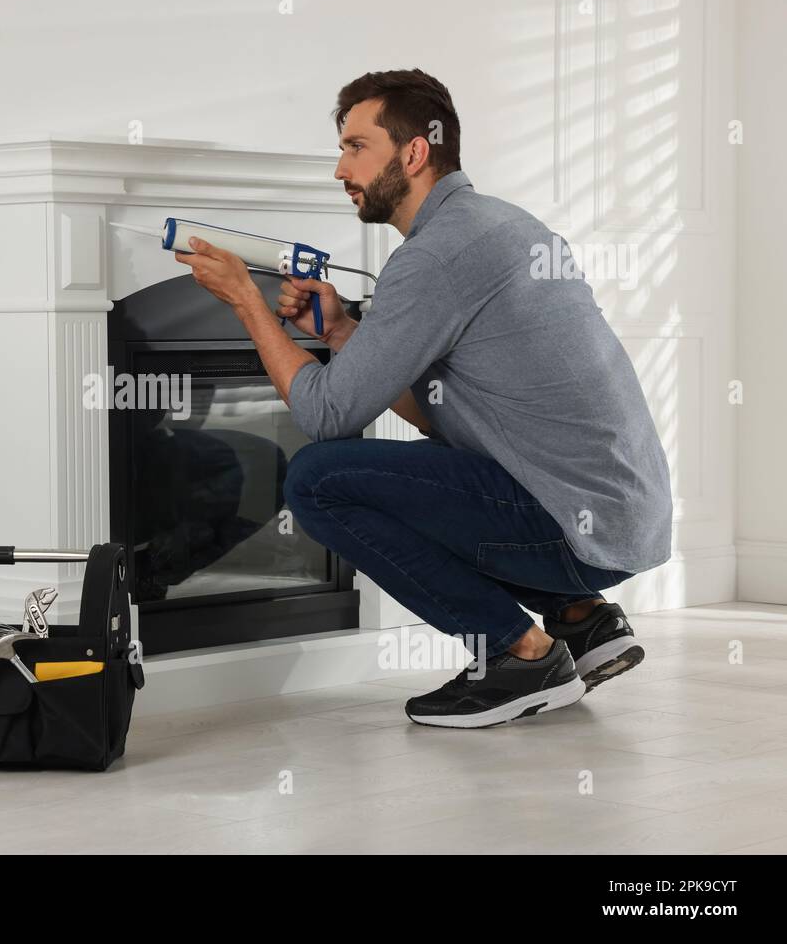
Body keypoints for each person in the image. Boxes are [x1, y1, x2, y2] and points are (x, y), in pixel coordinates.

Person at [172, 68, 672, 728]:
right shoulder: (498, 225)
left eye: (355, 147)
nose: (339, 170)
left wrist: (245, 300)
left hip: (576, 532)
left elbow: (325, 414)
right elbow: (448, 412)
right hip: (621, 523)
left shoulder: (435, 255)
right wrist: (349, 332)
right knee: (409, 475)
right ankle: (581, 621)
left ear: (413, 153)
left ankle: (518, 655)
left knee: (320, 480)